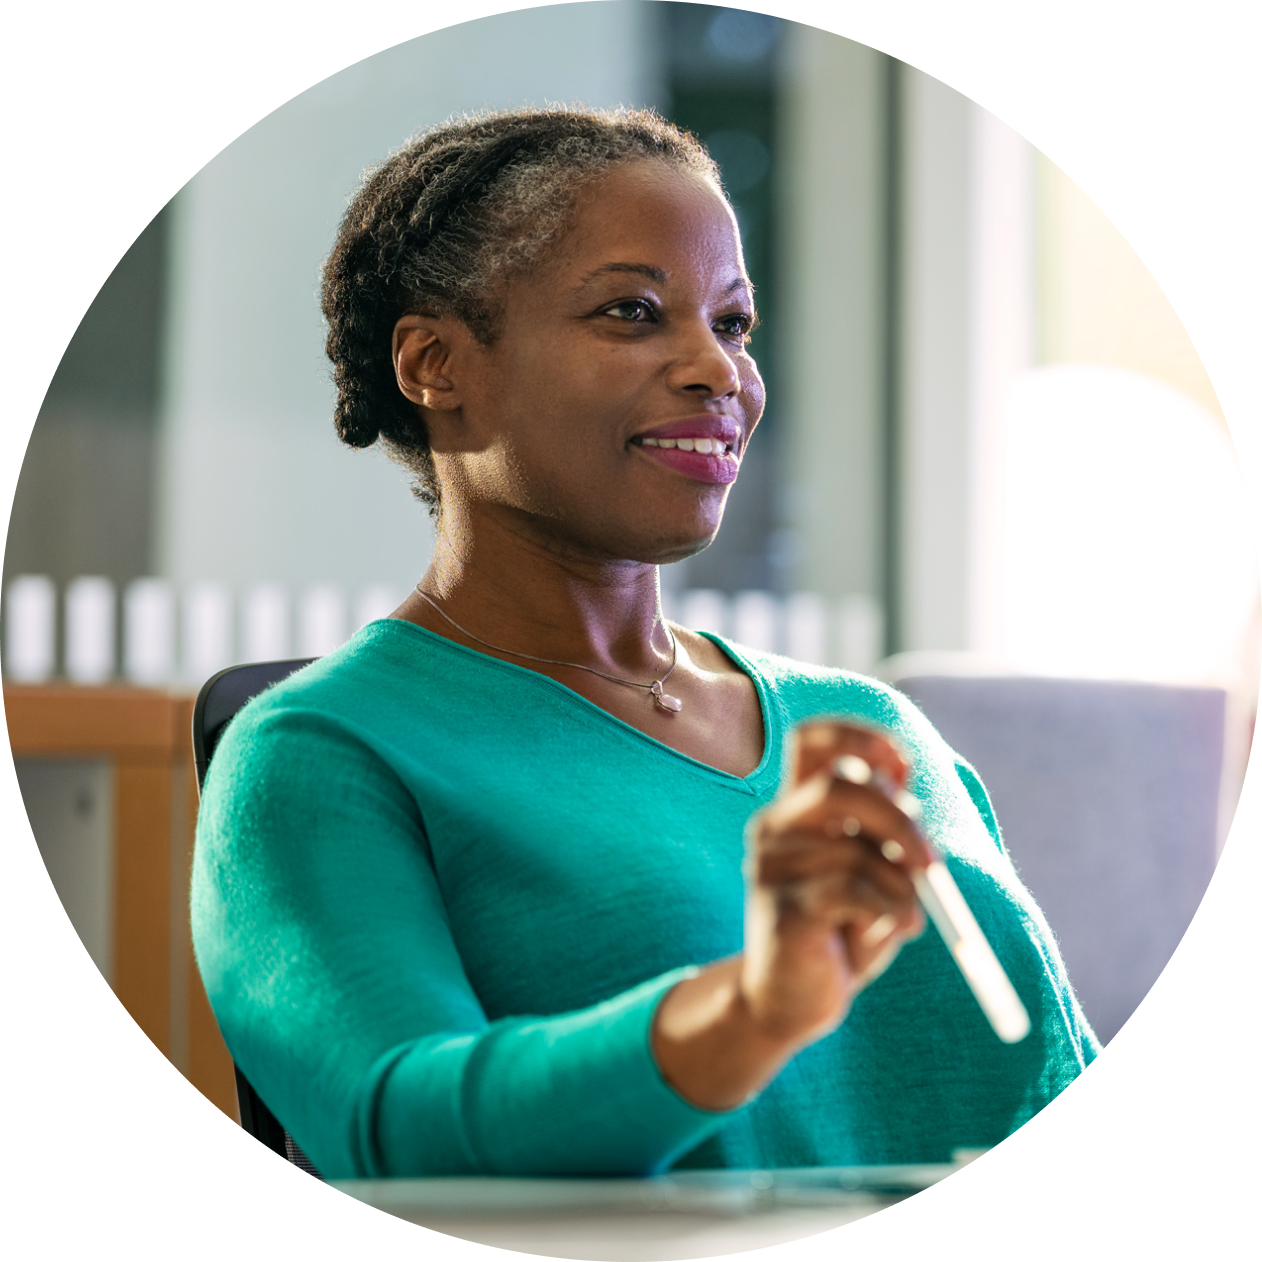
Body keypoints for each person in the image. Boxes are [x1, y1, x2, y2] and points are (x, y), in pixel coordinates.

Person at [191, 106, 1099, 1180]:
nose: (716, 369)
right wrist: (750, 1008)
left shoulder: (868, 729)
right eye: (632, 310)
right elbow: (401, 1129)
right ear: (435, 363)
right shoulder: (319, 755)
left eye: (733, 323)